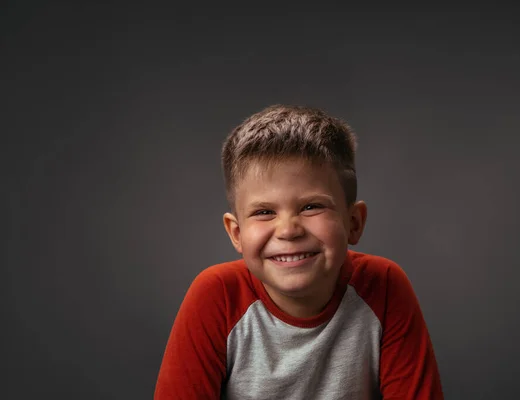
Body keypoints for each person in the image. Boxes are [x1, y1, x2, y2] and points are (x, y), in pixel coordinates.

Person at [154, 105, 444, 399]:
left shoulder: (384, 287)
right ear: (237, 233)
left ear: (354, 223)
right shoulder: (217, 296)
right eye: (265, 212)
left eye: (311, 206)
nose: (288, 230)